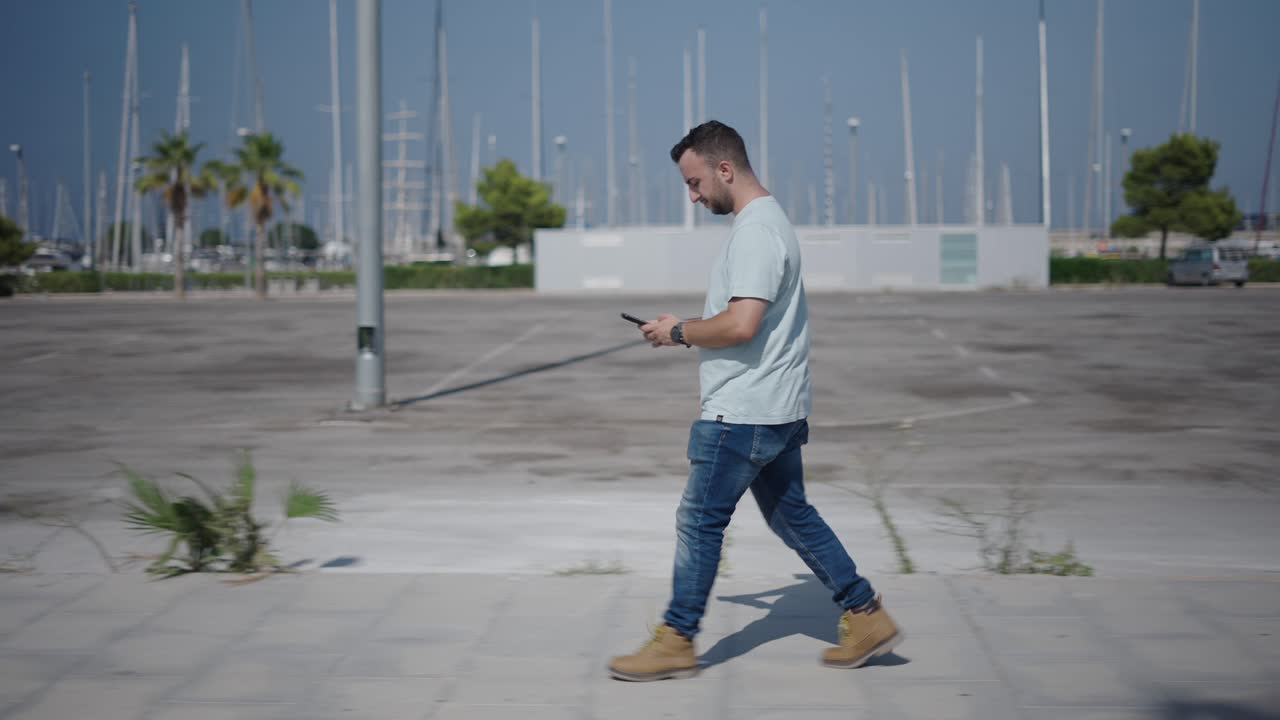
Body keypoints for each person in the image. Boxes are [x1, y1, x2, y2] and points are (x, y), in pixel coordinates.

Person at [608, 121, 902, 682]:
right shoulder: (769, 225)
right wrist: (684, 327)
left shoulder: (754, 233)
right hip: (777, 408)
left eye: (695, 183)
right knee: (791, 514)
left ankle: (677, 639)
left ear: (725, 169)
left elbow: (742, 324)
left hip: (742, 414)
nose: (693, 196)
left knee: (699, 522)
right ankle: (865, 614)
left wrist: (678, 332)